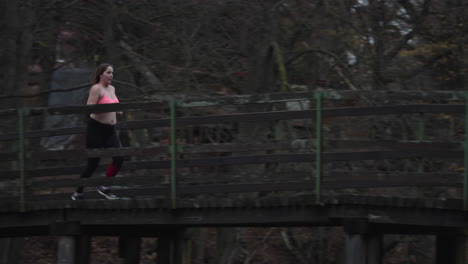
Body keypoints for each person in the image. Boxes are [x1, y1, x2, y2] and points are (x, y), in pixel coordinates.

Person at [71, 63, 124, 200]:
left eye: (112, 72)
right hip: (96, 129)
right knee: (92, 164)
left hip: (110, 130)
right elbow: (89, 109)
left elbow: (116, 103)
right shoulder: (96, 88)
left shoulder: (112, 88)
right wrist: (106, 109)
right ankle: (78, 192)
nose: (111, 75)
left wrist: (118, 109)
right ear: (101, 74)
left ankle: (105, 188)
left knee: (119, 158)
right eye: (108, 72)